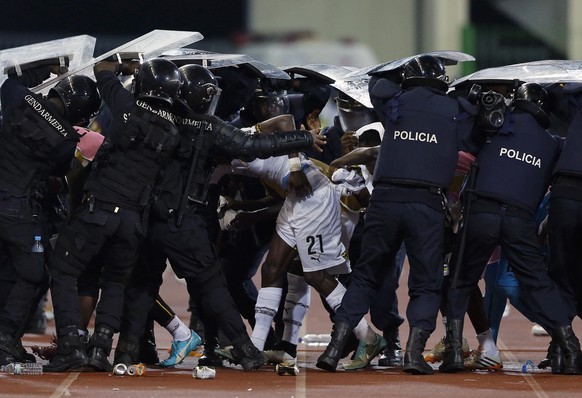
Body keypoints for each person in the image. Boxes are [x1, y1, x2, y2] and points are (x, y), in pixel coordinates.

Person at [115, 64, 326, 371]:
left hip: (147, 216)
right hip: (184, 220)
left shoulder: (153, 117)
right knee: (212, 285)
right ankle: (246, 350)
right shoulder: (207, 126)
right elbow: (252, 146)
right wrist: (302, 140)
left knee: (141, 285)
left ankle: (127, 352)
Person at [316, 54, 484, 375]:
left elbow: (377, 83)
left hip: (385, 201)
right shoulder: (455, 110)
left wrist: (399, 69)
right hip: (427, 204)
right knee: (426, 284)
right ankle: (413, 355)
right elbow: (477, 126)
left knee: (365, 276)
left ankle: (334, 348)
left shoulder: (393, 101)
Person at [44, 57, 183, 372]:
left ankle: (69, 345)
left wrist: (124, 65)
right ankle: (100, 349)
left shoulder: (128, 107)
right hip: (133, 220)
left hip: (100, 208)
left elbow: (101, 70)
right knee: (116, 283)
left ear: (143, 85)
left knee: (64, 270)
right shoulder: (173, 132)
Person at [440, 82, 582, 375]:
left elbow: (463, 134)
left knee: (460, 279)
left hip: (482, 212)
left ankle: (453, 351)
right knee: (538, 283)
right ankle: (569, 347)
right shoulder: (553, 143)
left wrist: (482, 104)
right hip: (520, 220)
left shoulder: (494, 125)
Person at [0, 63, 101, 366]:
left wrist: (46, 66)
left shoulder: (18, 98)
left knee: (6, 269)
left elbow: (12, 79)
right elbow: (59, 173)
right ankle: (5, 339)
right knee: (34, 273)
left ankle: (7, 340)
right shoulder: (66, 141)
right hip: (19, 210)